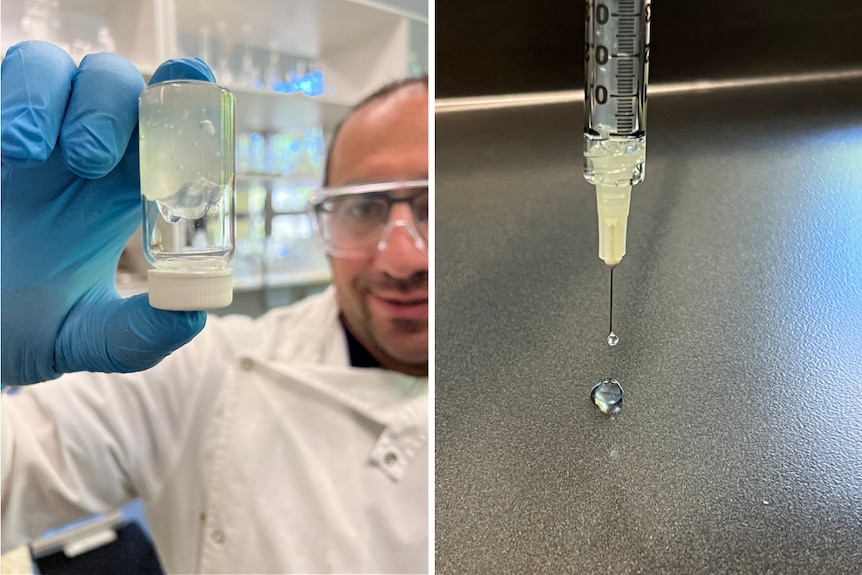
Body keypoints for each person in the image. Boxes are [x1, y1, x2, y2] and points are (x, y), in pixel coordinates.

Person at [1, 41, 429, 574]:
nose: (402, 257)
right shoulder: (201, 372)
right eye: (364, 207)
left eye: (435, 206)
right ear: (325, 219)